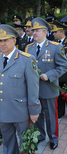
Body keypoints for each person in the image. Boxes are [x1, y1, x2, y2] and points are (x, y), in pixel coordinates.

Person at [0, 24, 41, 154]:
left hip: (20, 111)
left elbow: (33, 87)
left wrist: (34, 111)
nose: (2, 43)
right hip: (1, 110)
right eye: (0, 40)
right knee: (8, 143)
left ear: (14, 40)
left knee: (25, 144)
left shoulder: (26, 60)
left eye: (5, 40)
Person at [25, 17, 67, 149]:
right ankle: (40, 135)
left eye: (37, 30)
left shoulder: (55, 47)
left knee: (50, 116)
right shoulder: (28, 48)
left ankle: (53, 138)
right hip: (33, 90)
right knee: (37, 114)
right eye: (33, 30)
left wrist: (48, 75)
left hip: (48, 88)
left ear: (45, 32)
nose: (34, 33)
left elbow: (63, 66)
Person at [51, 20, 67, 118]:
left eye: (55, 32)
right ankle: (59, 113)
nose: (53, 34)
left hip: (65, 74)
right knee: (59, 96)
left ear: (61, 32)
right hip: (58, 74)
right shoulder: (53, 43)